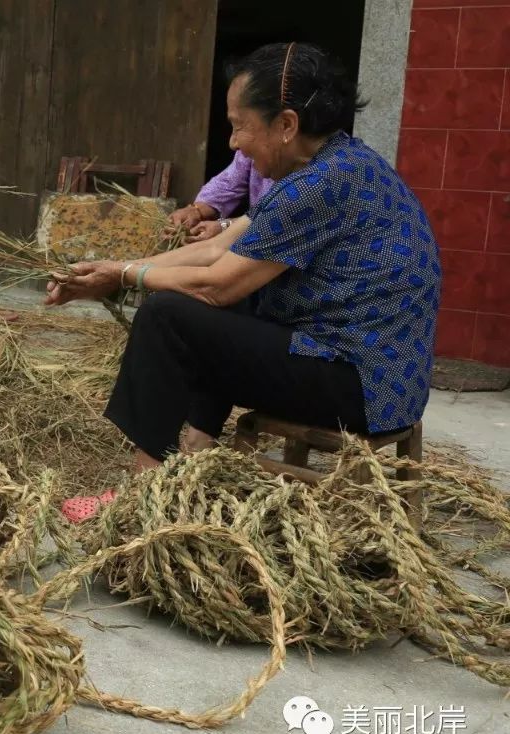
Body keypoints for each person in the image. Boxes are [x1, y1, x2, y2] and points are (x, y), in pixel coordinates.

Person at [45, 43, 440, 521]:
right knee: (217, 309)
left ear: (287, 124)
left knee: (168, 316)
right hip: (381, 377)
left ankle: (140, 496)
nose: (233, 142)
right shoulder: (343, 163)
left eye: (238, 125)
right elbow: (220, 245)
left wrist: (126, 277)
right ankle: (195, 449)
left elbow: (216, 284)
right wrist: (122, 264)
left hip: (358, 386)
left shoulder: (319, 186)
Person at [167, 150, 274, 243]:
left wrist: (225, 226)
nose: (232, 143)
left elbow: (271, 218)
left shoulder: (288, 187)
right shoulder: (249, 153)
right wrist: (196, 210)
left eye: (238, 130)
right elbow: (228, 183)